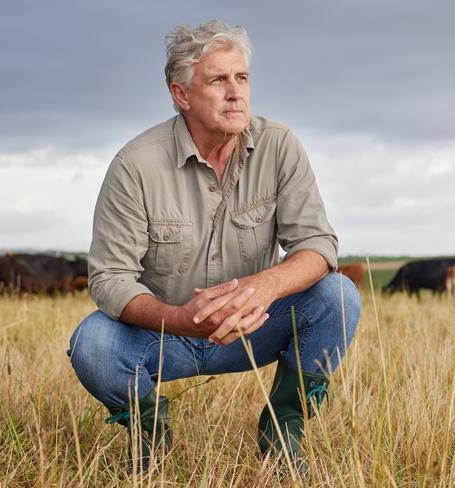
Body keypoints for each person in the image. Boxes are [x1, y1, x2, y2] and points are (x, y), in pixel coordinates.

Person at [67, 20, 361, 474]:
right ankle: (151, 438)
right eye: (218, 80)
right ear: (181, 95)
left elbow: (317, 245)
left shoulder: (280, 146)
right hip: (167, 334)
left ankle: (283, 432)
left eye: (241, 78)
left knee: (340, 298)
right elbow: (110, 279)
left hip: (254, 324)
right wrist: (183, 320)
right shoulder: (135, 165)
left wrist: (264, 287)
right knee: (94, 344)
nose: (235, 92)